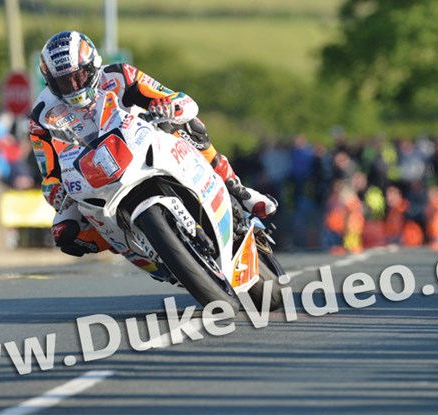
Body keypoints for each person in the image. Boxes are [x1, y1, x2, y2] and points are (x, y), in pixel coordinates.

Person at [29, 31, 277, 257]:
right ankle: (132, 247)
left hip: (141, 142)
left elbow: (178, 99)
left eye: (78, 76)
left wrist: (170, 106)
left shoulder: (120, 74)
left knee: (190, 125)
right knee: (65, 233)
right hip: (94, 176)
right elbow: (48, 171)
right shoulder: (41, 115)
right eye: (64, 81)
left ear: (92, 67)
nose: (74, 86)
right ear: (51, 82)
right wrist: (53, 189)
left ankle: (238, 191)